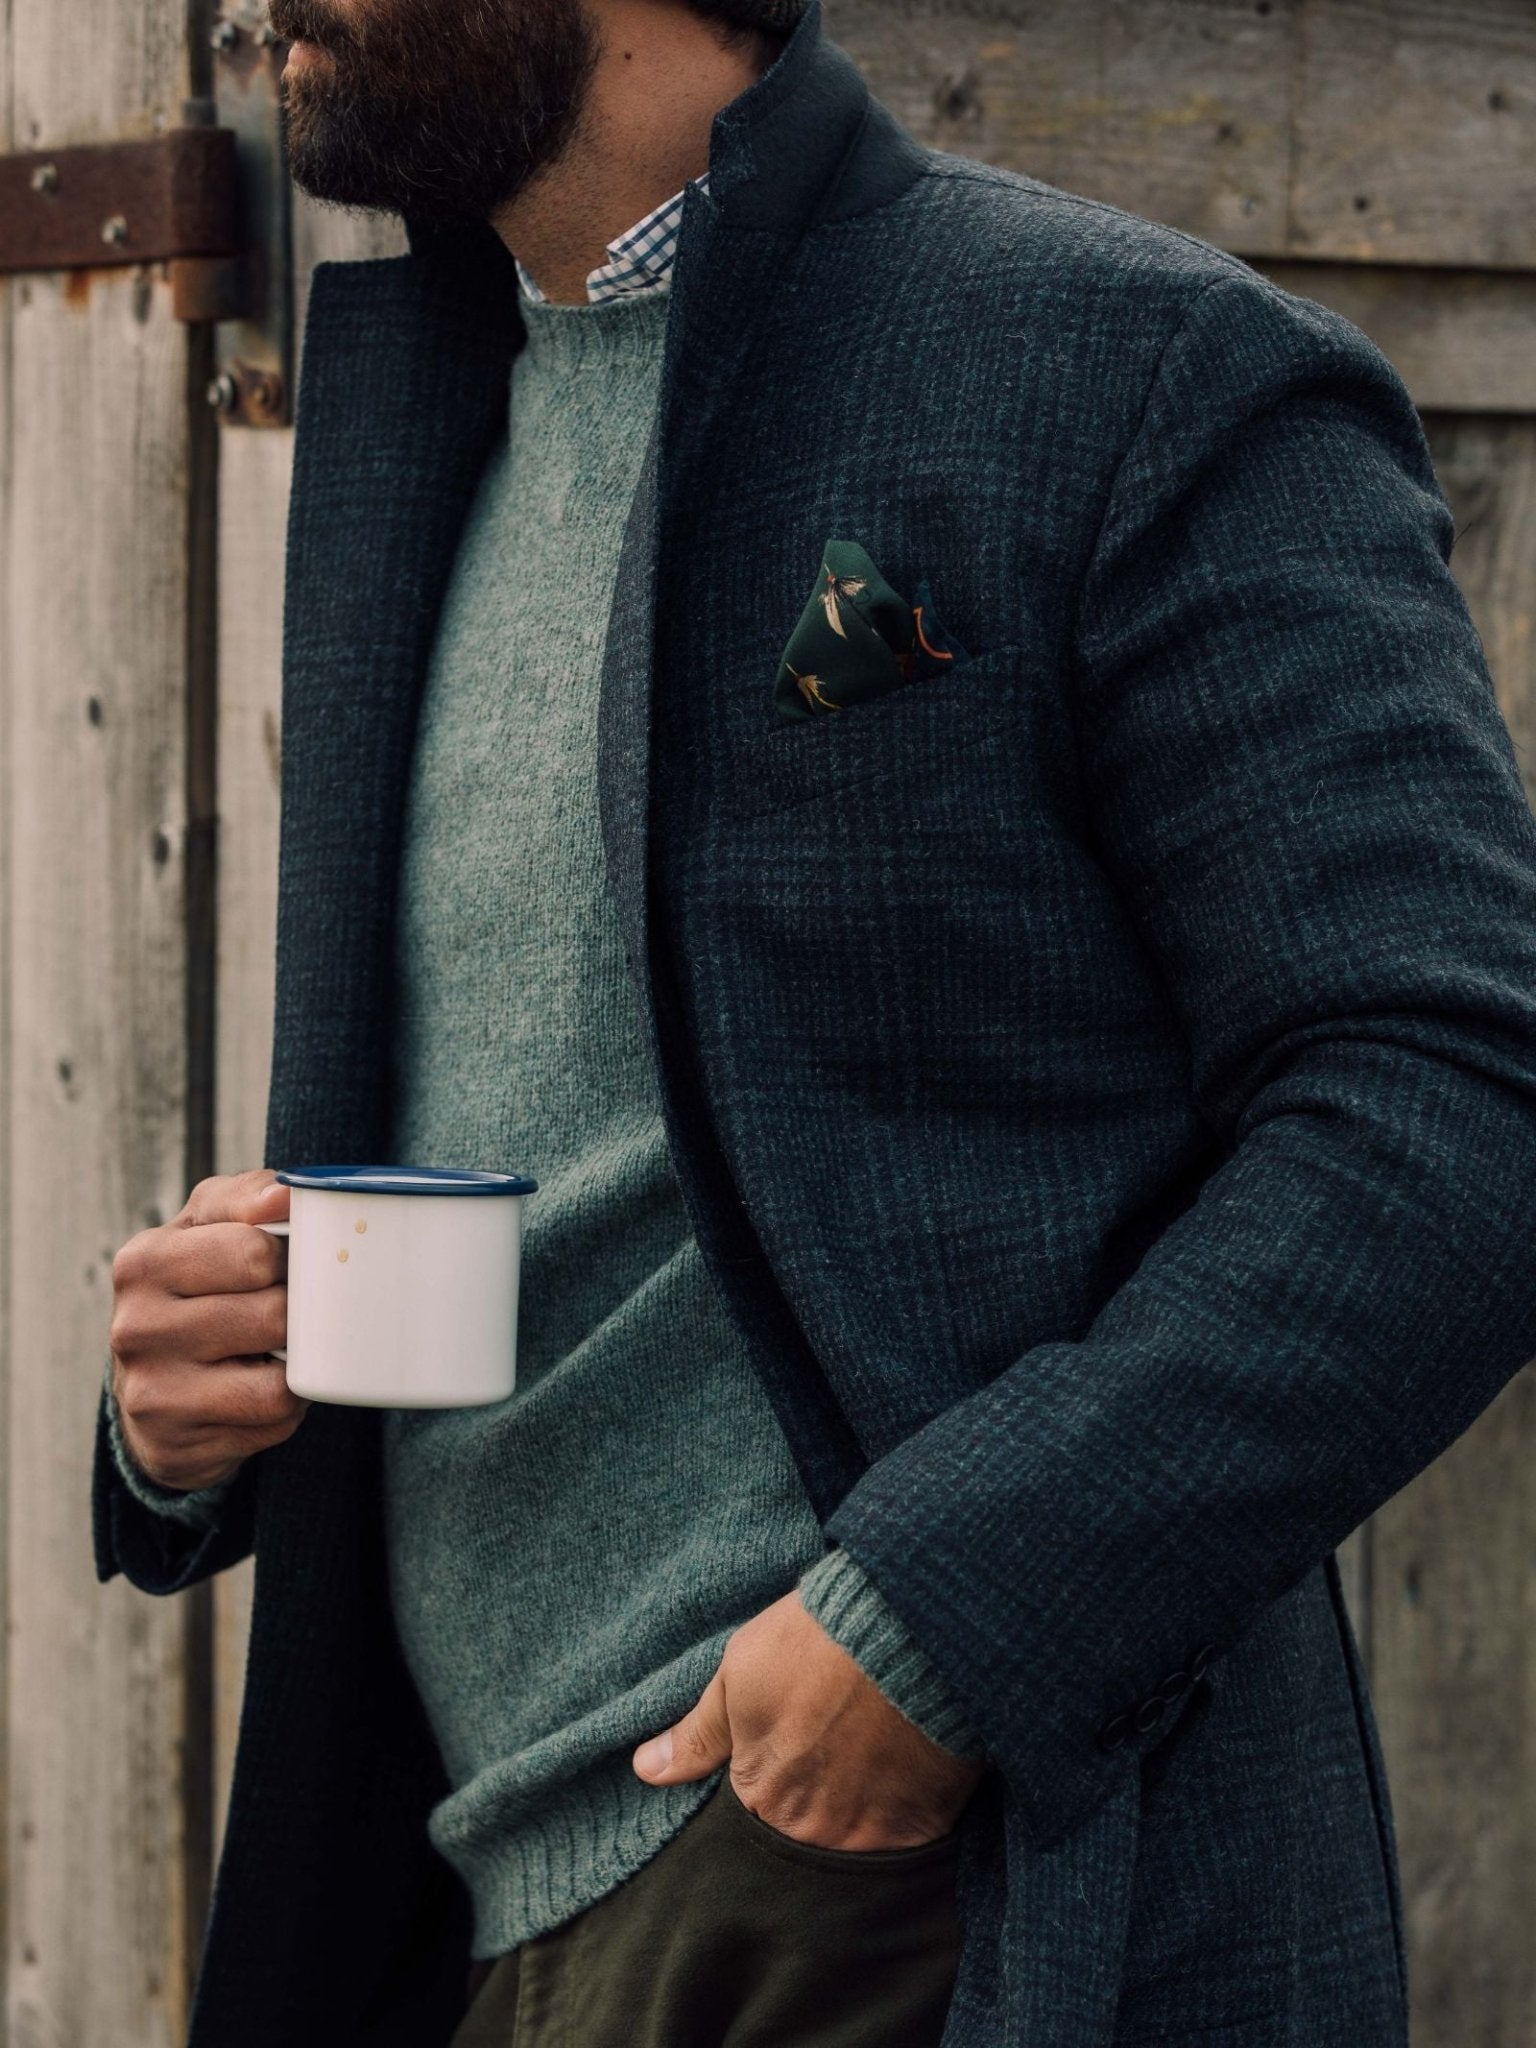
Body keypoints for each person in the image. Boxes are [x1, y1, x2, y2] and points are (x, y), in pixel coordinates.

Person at [93, 1, 1536, 2043]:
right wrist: (185, 1405)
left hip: (911, 1887)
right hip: (463, 1899)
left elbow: (1460, 1101)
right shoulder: (444, 404)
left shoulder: (1132, 368)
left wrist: (946, 1621)